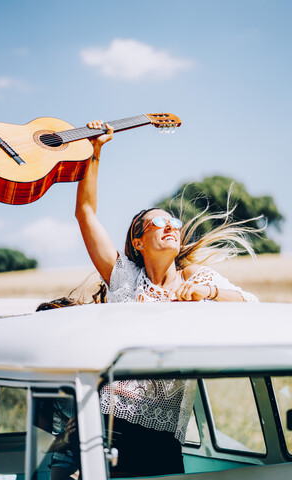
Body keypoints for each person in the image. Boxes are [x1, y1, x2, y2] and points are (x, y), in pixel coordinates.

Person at [72, 120, 261, 476]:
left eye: (174, 220)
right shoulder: (125, 277)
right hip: (103, 423)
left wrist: (209, 291)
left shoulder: (196, 278)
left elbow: (250, 304)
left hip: (159, 439)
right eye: (160, 223)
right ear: (139, 242)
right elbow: (86, 214)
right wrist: (94, 152)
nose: (172, 225)